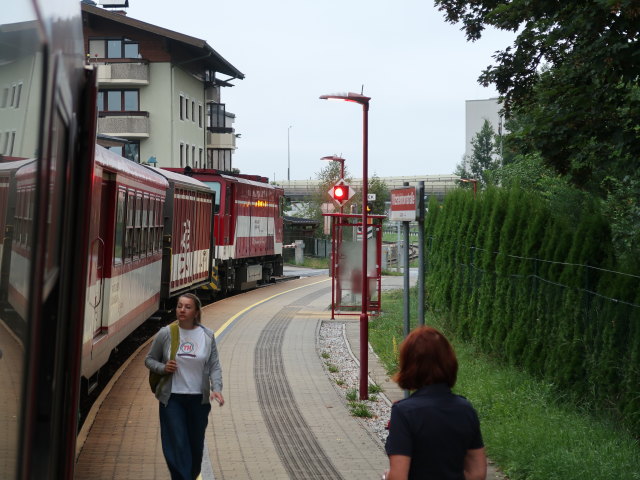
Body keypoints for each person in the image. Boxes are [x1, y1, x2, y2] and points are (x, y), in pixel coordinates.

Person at [383, 326, 486, 480]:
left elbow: (399, 476)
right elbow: (477, 473)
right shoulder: (465, 409)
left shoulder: (404, 412)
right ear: (449, 361)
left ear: (408, 364)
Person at [145, 293, 224, 480]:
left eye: (187, 307)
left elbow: (214, 365)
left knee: (196, 447)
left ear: (196, 312)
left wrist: (217, 388)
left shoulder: (207, 335)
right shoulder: (166, 333)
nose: (182, 310)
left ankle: (188, 475)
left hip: (199, 400)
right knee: (177, 443)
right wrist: (163, 368)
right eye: (180, 306)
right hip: (172, 399)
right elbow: (149, 360)